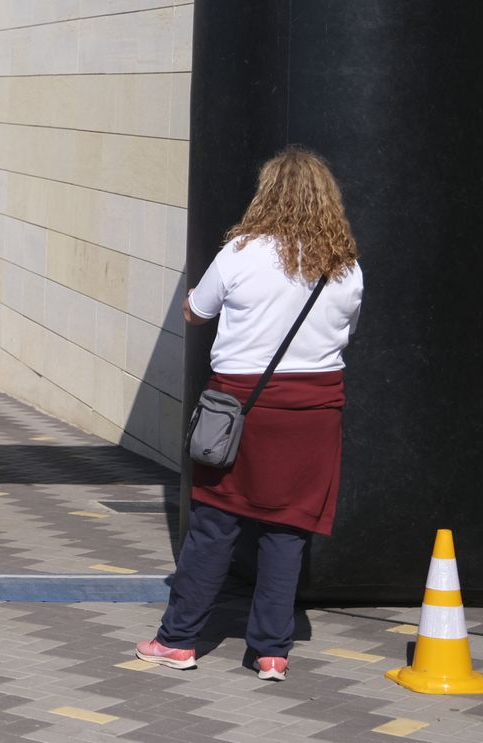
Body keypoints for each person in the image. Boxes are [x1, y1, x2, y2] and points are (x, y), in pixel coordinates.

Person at [136, 147, 362, 682]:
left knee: (215, 524)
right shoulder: (345, 266)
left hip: (240, 407)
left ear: (267, 194)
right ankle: (270, 651)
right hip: (313, 414)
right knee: (288, 531)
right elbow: (343, 334)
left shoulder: (241, 252)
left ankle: (179, 640)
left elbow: (195, 312)